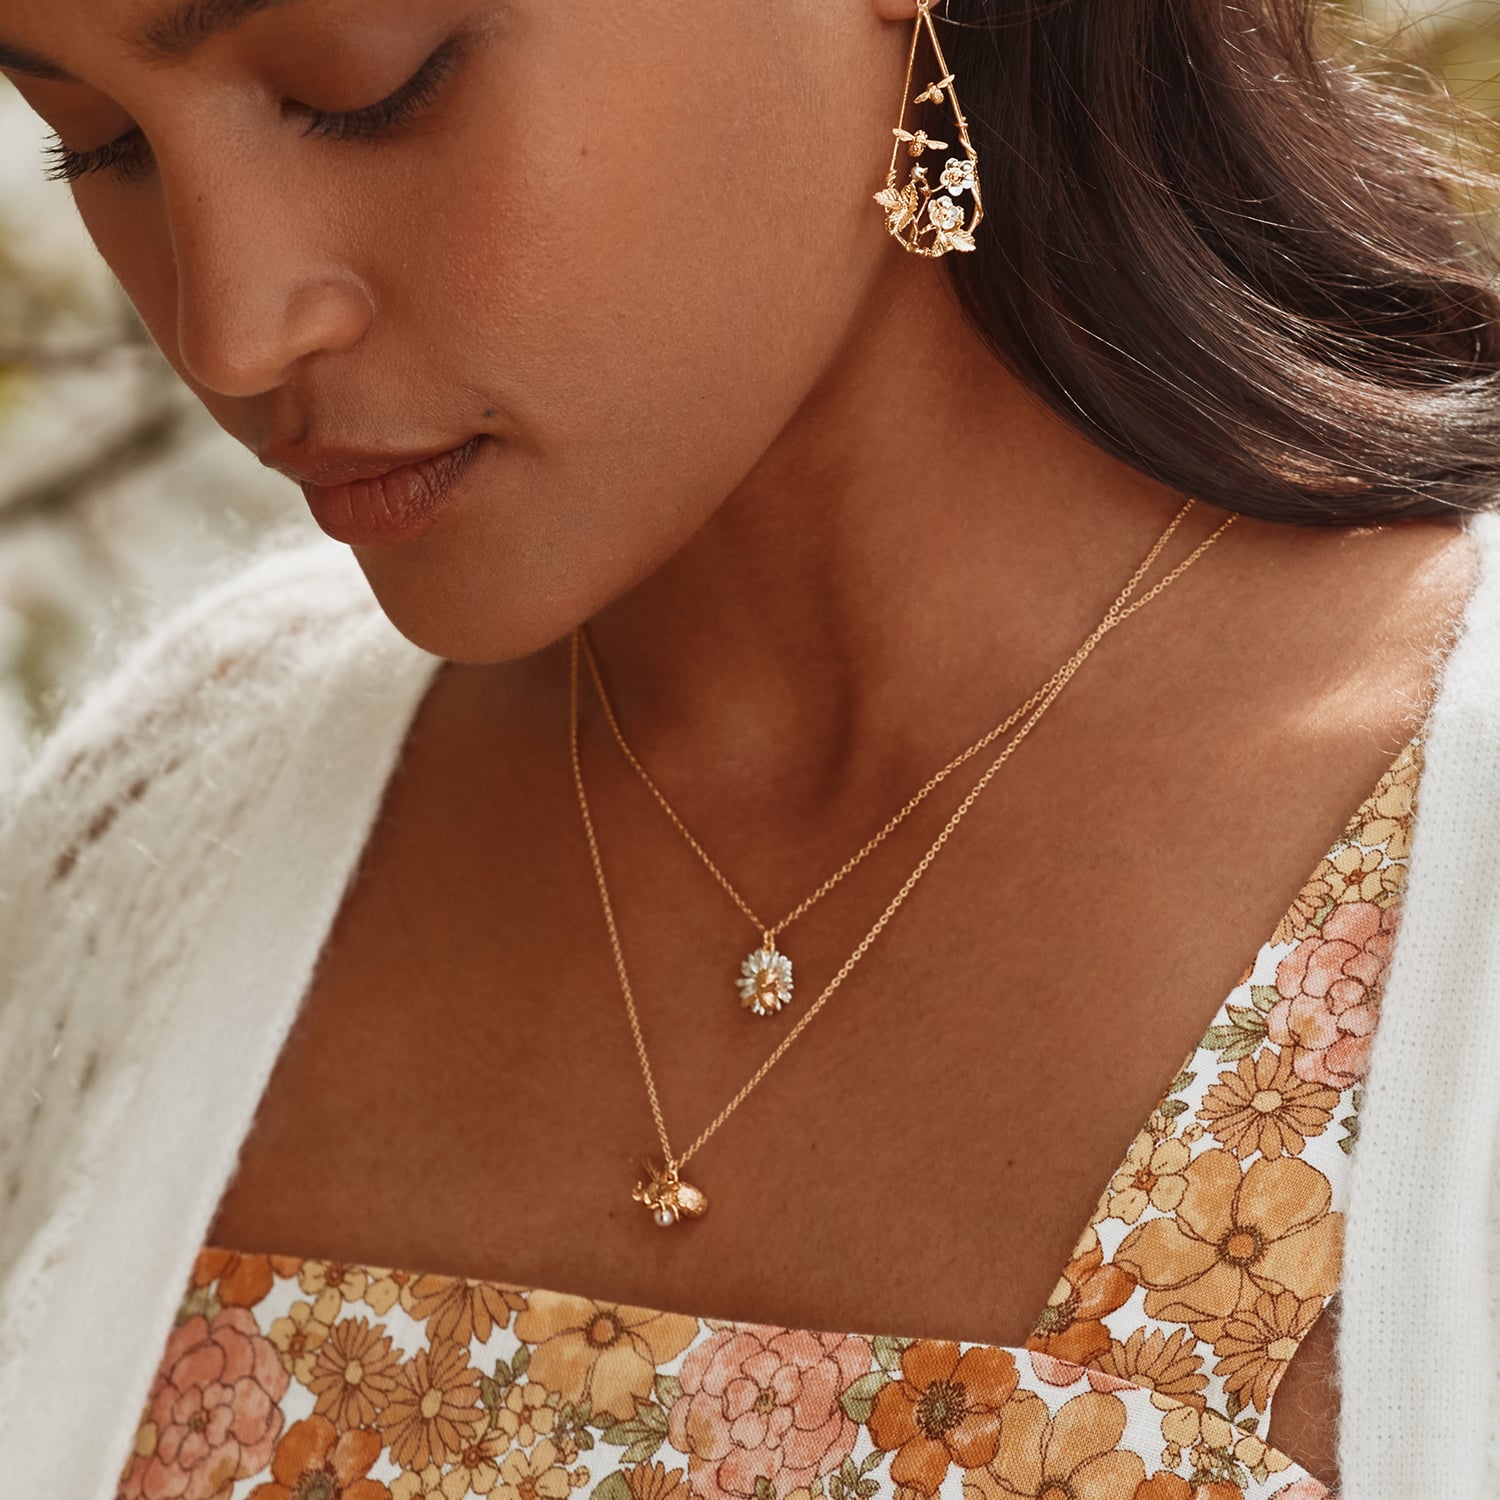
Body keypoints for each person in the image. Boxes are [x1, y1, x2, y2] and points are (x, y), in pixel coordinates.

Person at [1, 1, 1498, 1497]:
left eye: (369, 91)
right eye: (101, 145)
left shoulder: (1453, 857)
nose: (234, 330)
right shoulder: (155, 835)